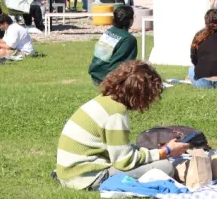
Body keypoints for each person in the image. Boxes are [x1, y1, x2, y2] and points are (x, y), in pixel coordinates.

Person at [56, 61, 189, 190]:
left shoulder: (104, 101)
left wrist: (155, 152)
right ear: (141, 94)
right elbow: (124, 161)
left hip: (69, 173)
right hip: (86, 177)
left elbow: (118, 149)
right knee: (165, 168)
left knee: (156, 162)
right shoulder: (116, 113)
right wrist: (165, 152)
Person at [89, 6, 138, 85]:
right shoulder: (128, 39)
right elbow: (122, 65)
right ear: (130, 20)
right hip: (109, 80)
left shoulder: (109, 31)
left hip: (96, 73)